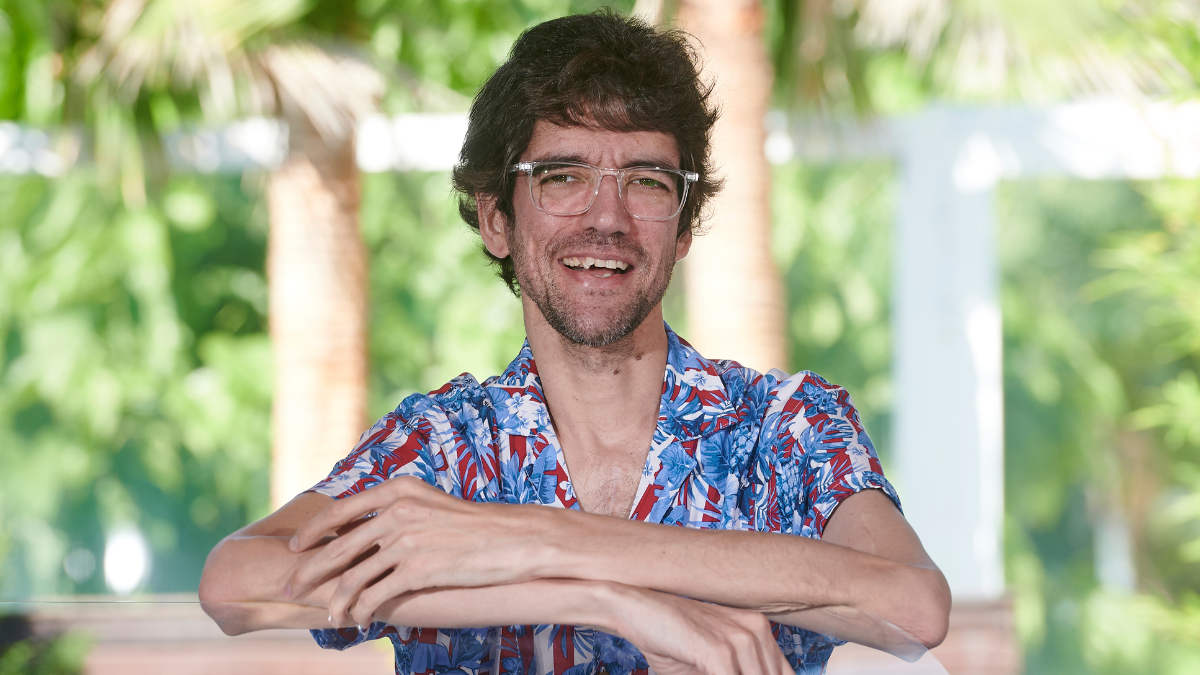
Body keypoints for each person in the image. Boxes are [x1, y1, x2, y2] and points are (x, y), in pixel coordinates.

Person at [199, 11, 950, 675]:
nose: (608, 218)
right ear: (497, 217)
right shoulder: (444, 447)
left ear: (685, 226)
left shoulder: (787, 427)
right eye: (562, 176)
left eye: (648, 181)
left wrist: (542, 539)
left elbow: (913, 604)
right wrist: (604, 599)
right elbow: (236, 582)